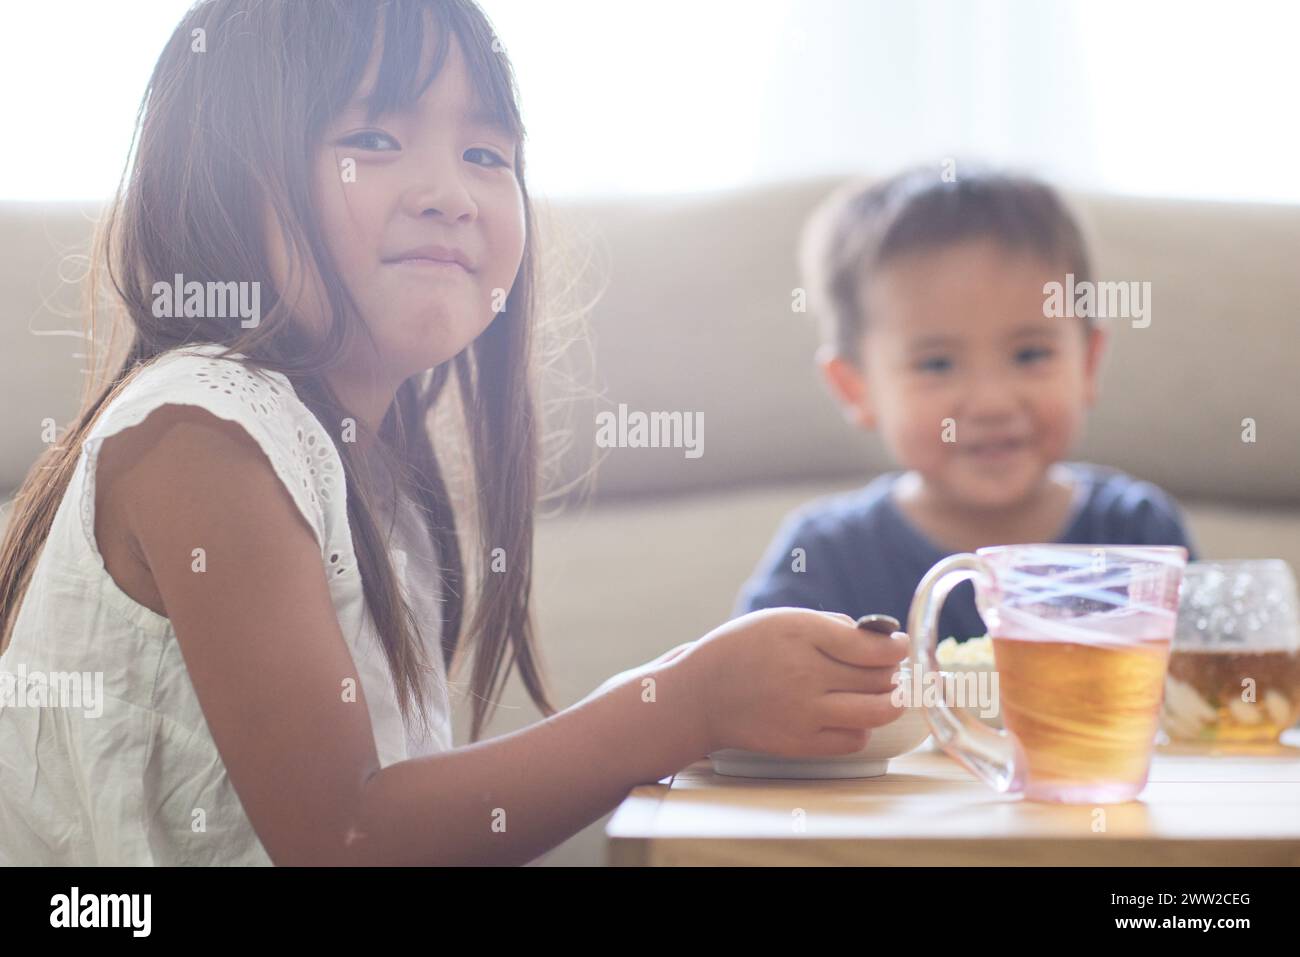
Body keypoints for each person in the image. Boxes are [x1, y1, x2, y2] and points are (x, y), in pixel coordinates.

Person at [0, 0, 906, 866]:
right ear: (220, 182)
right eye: (372, 141)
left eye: (485, 153)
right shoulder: (205, 432)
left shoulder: (377, 468)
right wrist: (686, 702)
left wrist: (691, 680)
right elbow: (345, 837)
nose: (450, 194)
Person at [736, 167, 1197, 639]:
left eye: (1030, 354)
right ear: (856, 388)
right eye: (937, 365)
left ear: (1088, 365)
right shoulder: (826, 556)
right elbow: (751, 699)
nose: (992, 403)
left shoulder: (1137, 533)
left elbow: (1202, 697)